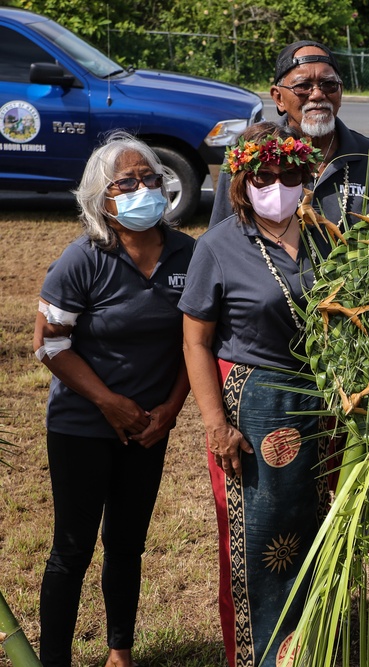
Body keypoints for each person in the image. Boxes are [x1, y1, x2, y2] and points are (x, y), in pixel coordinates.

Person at [33, 133, 193, 667]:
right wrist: (108, 402)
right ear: (101, 198)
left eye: (150, 178)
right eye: (127, 182)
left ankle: (119, 652)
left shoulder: (188, 254)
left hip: (149, 427)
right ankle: (54, 658)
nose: (143, 188)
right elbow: (50, 345)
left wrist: (168, 413)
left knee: (127, 543)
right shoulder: (83, 258)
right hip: (83, 424)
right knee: (72, 548)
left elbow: (196, 343)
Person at [182, 122, 334, 667]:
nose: (277, 185)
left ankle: (315, 645)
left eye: (289, 174)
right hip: (255, 405)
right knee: (263, 534)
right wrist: (215, 423)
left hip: (324, 403)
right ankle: (262, 655)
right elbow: (196, 342)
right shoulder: (219, 246)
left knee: (319, 525)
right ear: (241, 182)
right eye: (264, 176)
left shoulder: (327, 235)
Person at [209, 40, 369, 229]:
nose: (317, 94)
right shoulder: (248, 157)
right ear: (278, 98)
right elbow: (221, 239)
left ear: (340, 91)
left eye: (328, 84)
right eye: (303, 86)